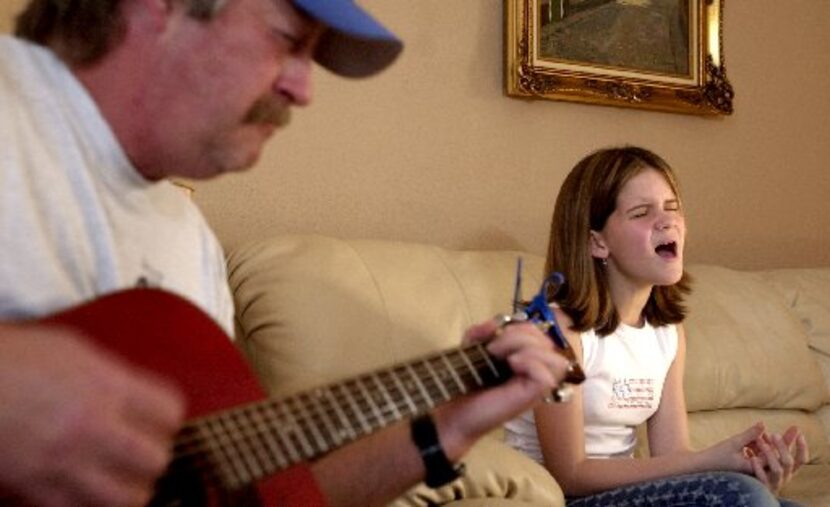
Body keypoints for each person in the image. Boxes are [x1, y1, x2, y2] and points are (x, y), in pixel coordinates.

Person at [0, 1, 573, 506]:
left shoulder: (186, 243)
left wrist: (452, 423)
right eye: (288, 41)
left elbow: (267, 498)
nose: (304, 89)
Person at [504, 146, 810, 506]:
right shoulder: (555, 331)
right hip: (560, 499)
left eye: (672, 207)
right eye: (641, 213)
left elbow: (674, 455)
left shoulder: (666, 334)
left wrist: (753, 472)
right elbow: (569, 472)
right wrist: (713, 465)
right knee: (741, 496)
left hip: (629, 496)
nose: (667, 222)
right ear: (597, 242)